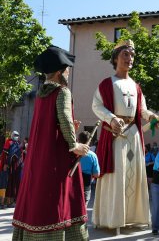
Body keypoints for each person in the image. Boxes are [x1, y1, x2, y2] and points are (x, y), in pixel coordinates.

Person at [12, 45, 90, 240]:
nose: (68, 72)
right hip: (56, 161)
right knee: (58, 203)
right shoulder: (62, 92)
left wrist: (71, 127)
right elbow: (63, 119)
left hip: (38, 159)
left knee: (37, 198)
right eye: (67, 68)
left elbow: (52, 124)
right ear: (58, 72)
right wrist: (75, 145)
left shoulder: (40, 95)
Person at [92, 39, 159, 233]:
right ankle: (112, 219)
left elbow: (142, 109)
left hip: (134, 136)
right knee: (117, 176)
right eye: (125, 54)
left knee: (133, 176)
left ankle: (132, 217)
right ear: (115, 58)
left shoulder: (136, 86)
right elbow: (96, 106)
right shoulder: (107, 84)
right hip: (116, 136)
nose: (130, 58)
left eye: (132, 55)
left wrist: (152, 117)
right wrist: (112, 118)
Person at [78, 131, 100, 206]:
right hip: (86, 186)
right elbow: (96, 174)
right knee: (83, 209)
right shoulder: (93, 155)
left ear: (78, 140)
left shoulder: (72, 153)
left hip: (72, 185)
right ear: (90, 141)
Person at [1, 131, 22, 207]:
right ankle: (6, 201)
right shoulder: (8, 142)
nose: (17, 136)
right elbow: (5, 154)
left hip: (17, 166)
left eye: (18, 135)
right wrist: (5, 164)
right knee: (8, 182)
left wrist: (20, 163)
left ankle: (13, 201)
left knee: (15, 182)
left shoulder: (18, 143)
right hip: (9, 165)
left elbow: (20, 154)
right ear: (12, 135)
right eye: (15, 135)